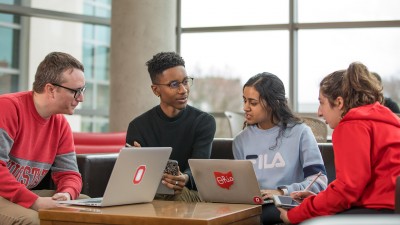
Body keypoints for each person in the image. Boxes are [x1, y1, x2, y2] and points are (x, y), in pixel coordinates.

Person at [278, 62, 400, 224]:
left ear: (339, 102)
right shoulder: (385, 120)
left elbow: (347, 190)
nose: (319, 112)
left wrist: (294, 215)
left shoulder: (351, 125)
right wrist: (317, 199)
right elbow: (359, 186)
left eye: (322, 102)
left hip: (381, 212)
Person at [0, 52, 85, 225]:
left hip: (20, 195)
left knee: (86, 205)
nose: (81, 98)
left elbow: (69, 174)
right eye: (76, 91)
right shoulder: (7, 108)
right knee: (33, 220)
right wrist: (35, 202)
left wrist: (67, 194)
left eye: (82, 90)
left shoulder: (60, 124)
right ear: (51, 89)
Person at [232, 72, 327, 225]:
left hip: (286, 204)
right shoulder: (240, 141)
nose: (245, 108)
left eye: (253, 103)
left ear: (273, 103)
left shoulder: (301, 132)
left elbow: (319, 182)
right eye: (244, 101)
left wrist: (282, 191)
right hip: (253, 207)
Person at [126, 52, 216, 202]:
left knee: (175, 194)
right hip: (151, 193)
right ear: (156, 90)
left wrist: (184, 178)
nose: (183, 90)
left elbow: (199, 167)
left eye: (185, 81)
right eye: (174, 84)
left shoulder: (204, 122)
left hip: (190, 192)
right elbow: (135, 178)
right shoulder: (138, 126)